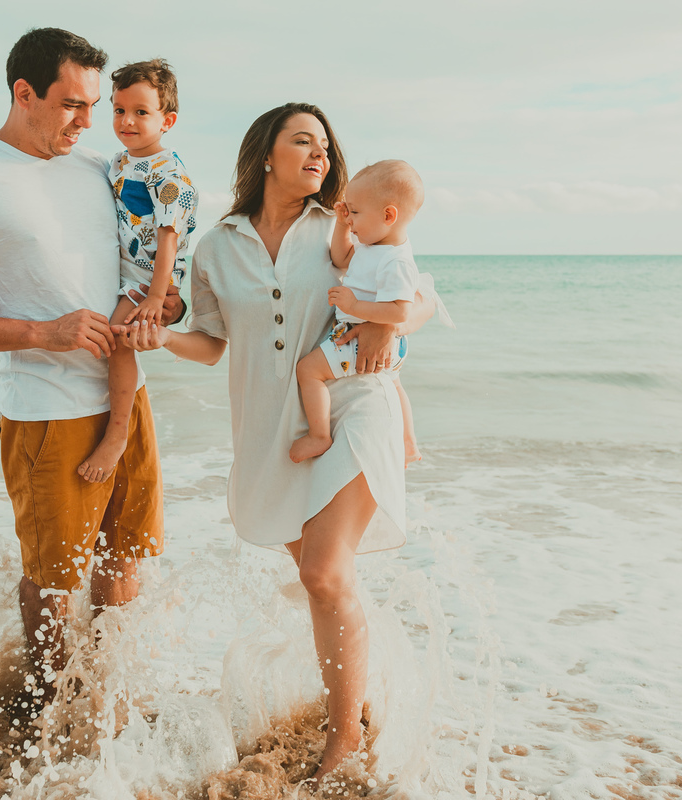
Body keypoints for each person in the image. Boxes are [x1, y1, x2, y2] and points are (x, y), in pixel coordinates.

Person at [115, 103, 438, 782]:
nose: (320, 154)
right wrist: (159, 337)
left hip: (353, 407)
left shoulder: (344, 224)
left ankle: (345, 734)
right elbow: (210, 344)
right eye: (303, 141)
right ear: (266, 154)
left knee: (323, 571)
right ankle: (365, 702)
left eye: (324, 144)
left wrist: (392, 324)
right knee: (326, 582)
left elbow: (422, 292)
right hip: (271, 427)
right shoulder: (216, 247)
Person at [0, 28, 183, 707]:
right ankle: (46, 714)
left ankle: (106, 702)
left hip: (126, 400)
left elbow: (145, 269)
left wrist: (165, 309)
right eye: (71, 105)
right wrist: (42, 331)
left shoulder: (96, 168)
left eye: (95, 105)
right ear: (23, 94)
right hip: (46, 411)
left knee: (124, 561)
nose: (91, 122)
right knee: (54, 581)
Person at [77, 59, 198, 483]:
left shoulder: (167, 174)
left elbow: (169, 240)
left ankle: (117, 432)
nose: (126, 121)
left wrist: (153, 295)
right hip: (126, 269)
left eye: (141, 112)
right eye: (118, 109)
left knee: (117, 339)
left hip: (149, 276)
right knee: (117, 338)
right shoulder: (119, 162)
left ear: (167, 120)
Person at [290, 159, 453, 466]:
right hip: (378, 341)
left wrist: (353, 307)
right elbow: (341, 257)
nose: (350, 219)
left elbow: (399, 312)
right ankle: (409, 444)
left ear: (388, 215)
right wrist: (342, 225)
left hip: (357, 339)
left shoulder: (396, 261)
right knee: (394, 384)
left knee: (308, 371)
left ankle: (319, 434)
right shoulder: (374, 245)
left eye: (355, 212)